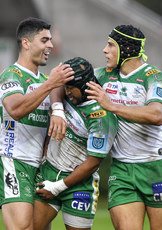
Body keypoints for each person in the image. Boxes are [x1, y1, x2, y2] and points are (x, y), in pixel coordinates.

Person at [86, 25, 162, 230]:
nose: (104, 50)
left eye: (111, 45)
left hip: (156, 166)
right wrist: (56, 109)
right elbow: (63, 81)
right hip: (122, 169)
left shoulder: (153, 76)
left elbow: (156, 114)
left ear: (125, 49)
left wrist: (111, 105)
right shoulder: (103, 75)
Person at [0, 17, 74, 230]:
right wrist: (50, 84)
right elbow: (16, 110)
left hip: (41, 167)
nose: (50, 45)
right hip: (15, 161)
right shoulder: (11, 75)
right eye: (44, 40)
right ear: (26, 43)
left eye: (50, 40)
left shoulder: (45, 82)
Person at [33, 57, 118, 230]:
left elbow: (93, 163)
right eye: (66, 87)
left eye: (71, 89)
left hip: (79, 183)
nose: (67, 92)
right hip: (49, 171)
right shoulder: (67, 91)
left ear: (85, 86)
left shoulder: (102, 117)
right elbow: (56, 85)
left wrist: (58, 187)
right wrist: (57, 109)